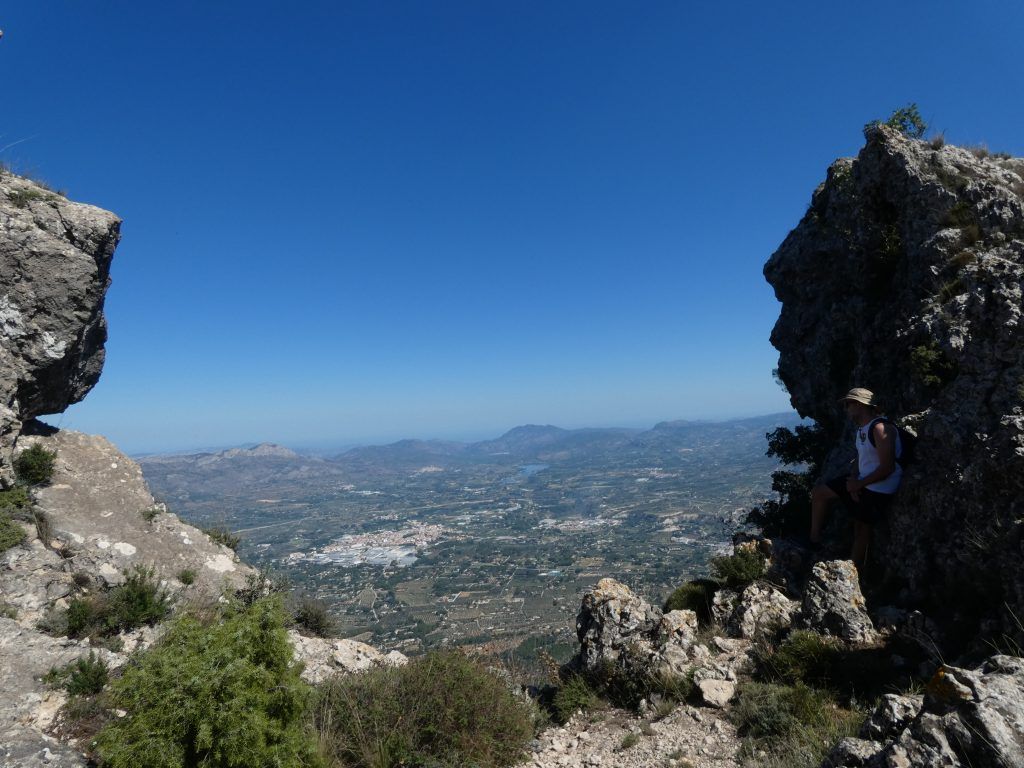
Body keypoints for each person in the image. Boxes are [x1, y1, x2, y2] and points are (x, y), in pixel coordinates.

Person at [809, 387, 902, 566]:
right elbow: (860, 458)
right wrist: (853, 480)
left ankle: (854, 573)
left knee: (861, 530)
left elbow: (887, 467)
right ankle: (813, 541)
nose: (845, 408)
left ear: (860, 405)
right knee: (819, 493)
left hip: (880, 487)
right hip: (863, 482)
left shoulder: (880, 428)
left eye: (848, 404)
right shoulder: (862, 429)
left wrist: (858, 485)